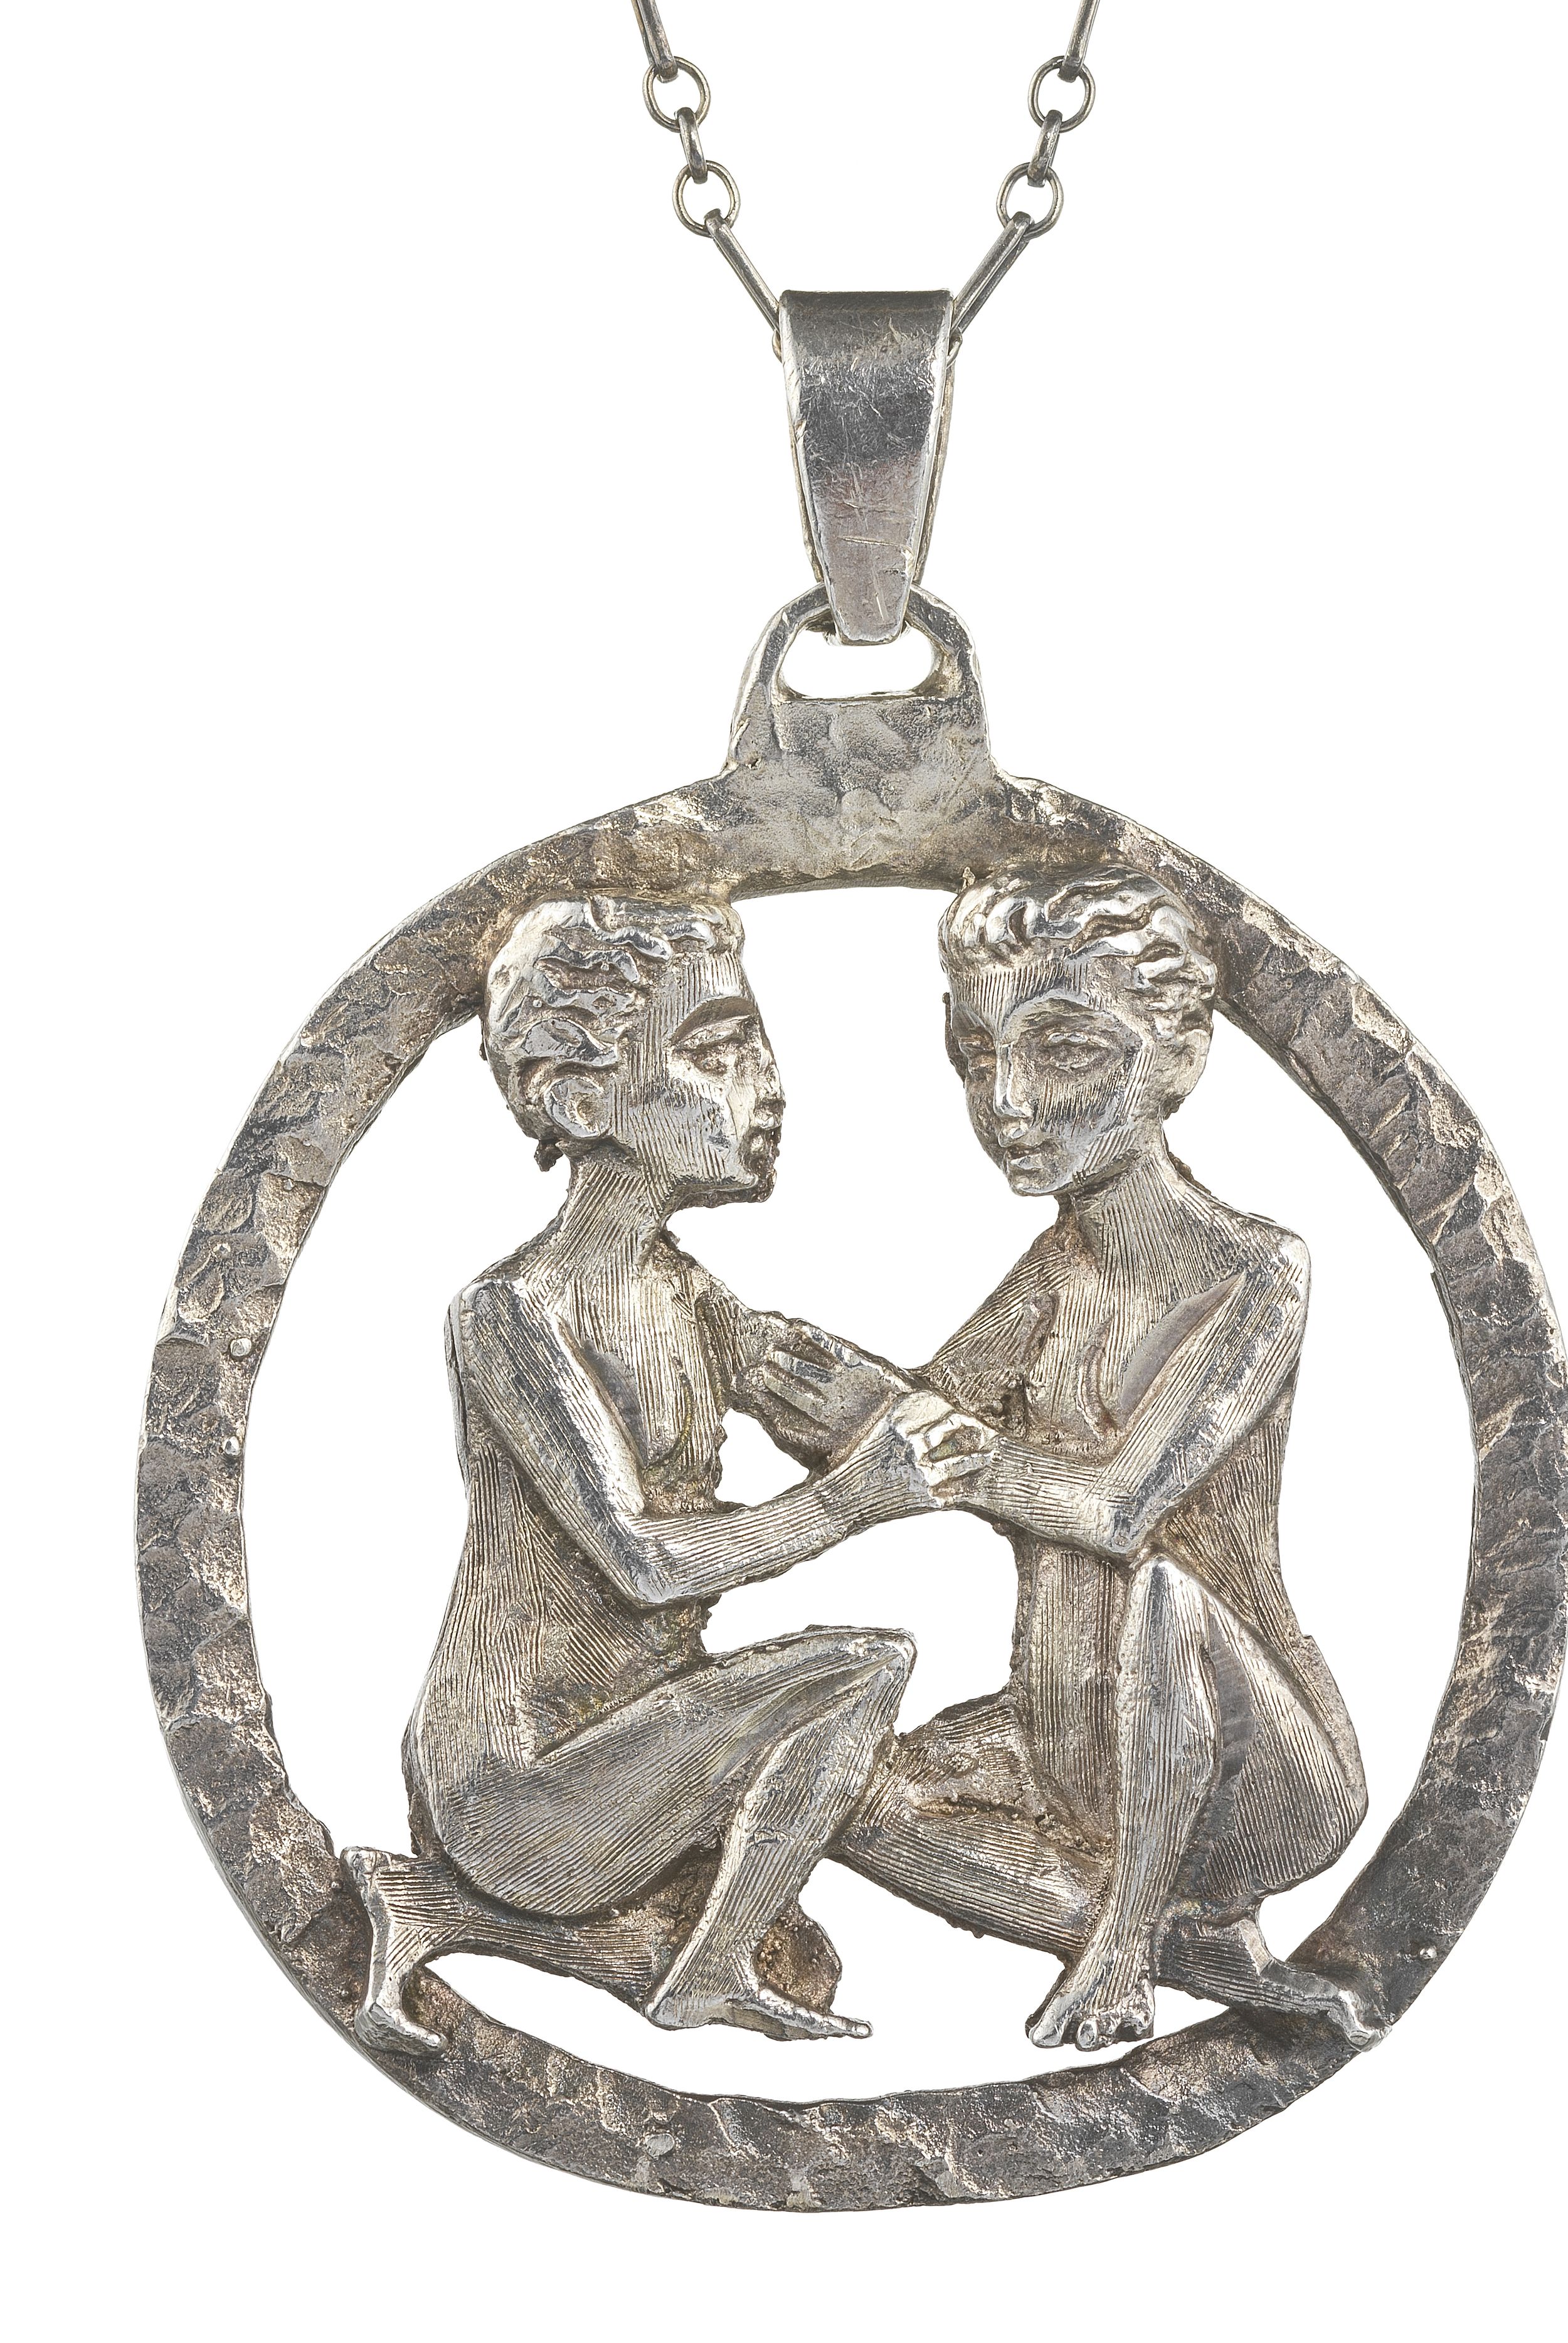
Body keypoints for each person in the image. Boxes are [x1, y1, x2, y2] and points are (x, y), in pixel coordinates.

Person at [344, 891, 989, 2054]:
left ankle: (445, 1912)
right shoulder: (516, 1312)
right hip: (519, 1785)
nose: (768, 1085)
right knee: (859, 1670)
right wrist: (853, 1497)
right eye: (716, 1050)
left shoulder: (685, 1294)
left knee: (832, 1880)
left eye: (759, 1046)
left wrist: (992, 1410)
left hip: (631, 1744)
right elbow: (641, 1559)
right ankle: (701, 1971)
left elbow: (845, 1396)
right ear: (581, 1100)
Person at [834, 867, 1370, 2051]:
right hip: (1060, 1738)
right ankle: (1191, 1948)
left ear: (1179, 1056)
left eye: (1064, 1049)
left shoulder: (1252, 1270)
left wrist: (942, 1450)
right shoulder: (1057, 1268)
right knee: (827, 1781)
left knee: (1165, 1588)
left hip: (1248, 1766)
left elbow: (1121, 1508)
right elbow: (903, 1422)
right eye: (975, 1054)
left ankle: (1127, 1946)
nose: (1007, 1101)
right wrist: (750, 1351)